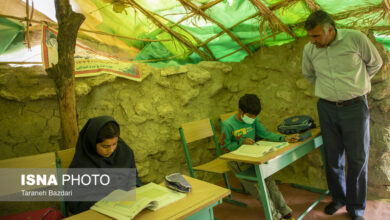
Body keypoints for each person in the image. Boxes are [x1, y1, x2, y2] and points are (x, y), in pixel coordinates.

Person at [301, 10, 383, 220]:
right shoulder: (310, 49)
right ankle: (339, 198)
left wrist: (358, 84)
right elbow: (309, 74)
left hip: (355, 107)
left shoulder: (355, 39)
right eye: (310, 36)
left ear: (330, 29)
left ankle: (356, 209)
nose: (312, 41)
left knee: (357, 159)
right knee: (332, 158)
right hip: (326, 108)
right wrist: (328, 92)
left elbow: (375, 63)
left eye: (316, 36)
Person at [220, 94, 300, 220]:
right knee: (260, 190)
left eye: (255, 116)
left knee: (269, 181)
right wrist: (241, 143)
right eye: (250, 116)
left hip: (255, 158)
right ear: (241, 111)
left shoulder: (254, 120)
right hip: (238, 162)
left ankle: (285, 212)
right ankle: (275, 217)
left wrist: (284, 138)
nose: (253, 119)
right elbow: (224, 148)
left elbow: (266, 134)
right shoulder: (228, 125)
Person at [67, 116, 141, 214]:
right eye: (105, 146)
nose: (111, 150)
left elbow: (133, 176)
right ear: (92, 143)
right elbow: (74, 204)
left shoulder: (124, 152)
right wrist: (105, 198)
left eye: (115, 144)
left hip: (126, 209)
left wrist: (134, 187)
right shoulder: (81, 165)